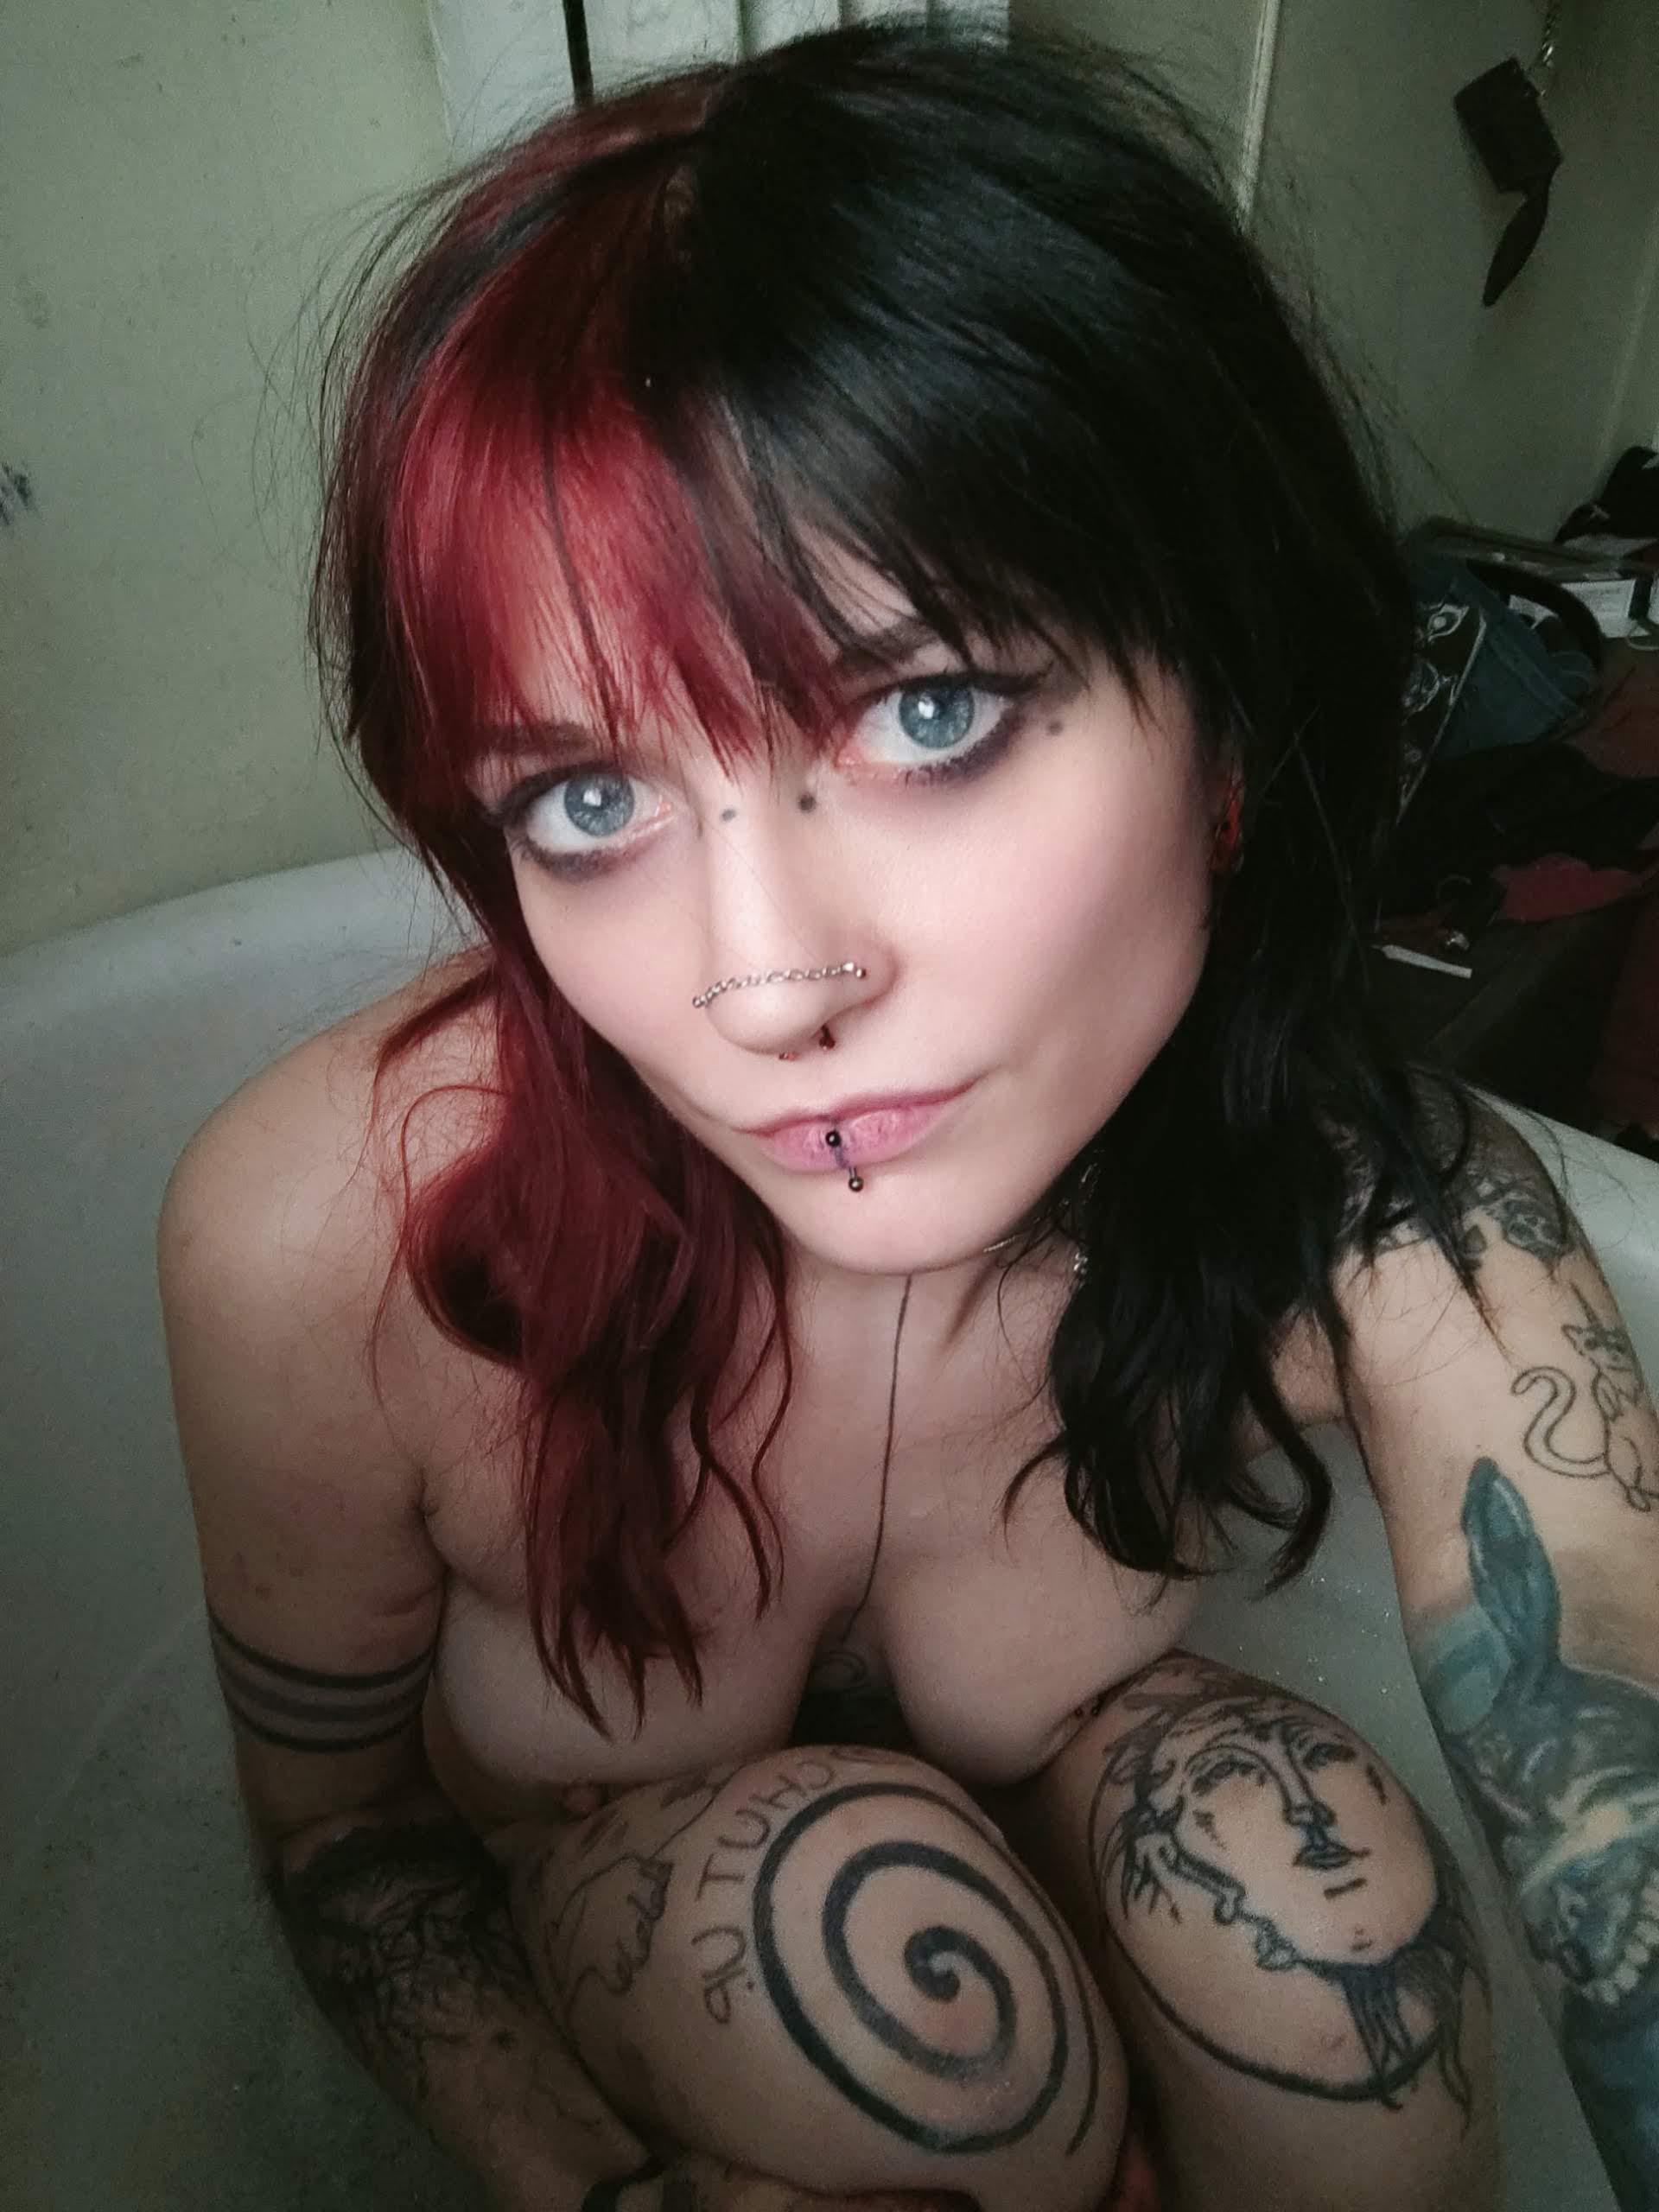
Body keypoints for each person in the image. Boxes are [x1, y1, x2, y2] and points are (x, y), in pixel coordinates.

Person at [157, 18, 1659, 2212]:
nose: (769, 984)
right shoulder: (335, 1238)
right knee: (859, 1965)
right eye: (587, 800)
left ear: (1230, 708)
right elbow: (341, 1825)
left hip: (1099, 1842)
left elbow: (1617, 1767)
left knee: (1317, 1897)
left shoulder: (1375, 1216)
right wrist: (593, 2184)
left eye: (932, 709)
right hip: (644, 1946)